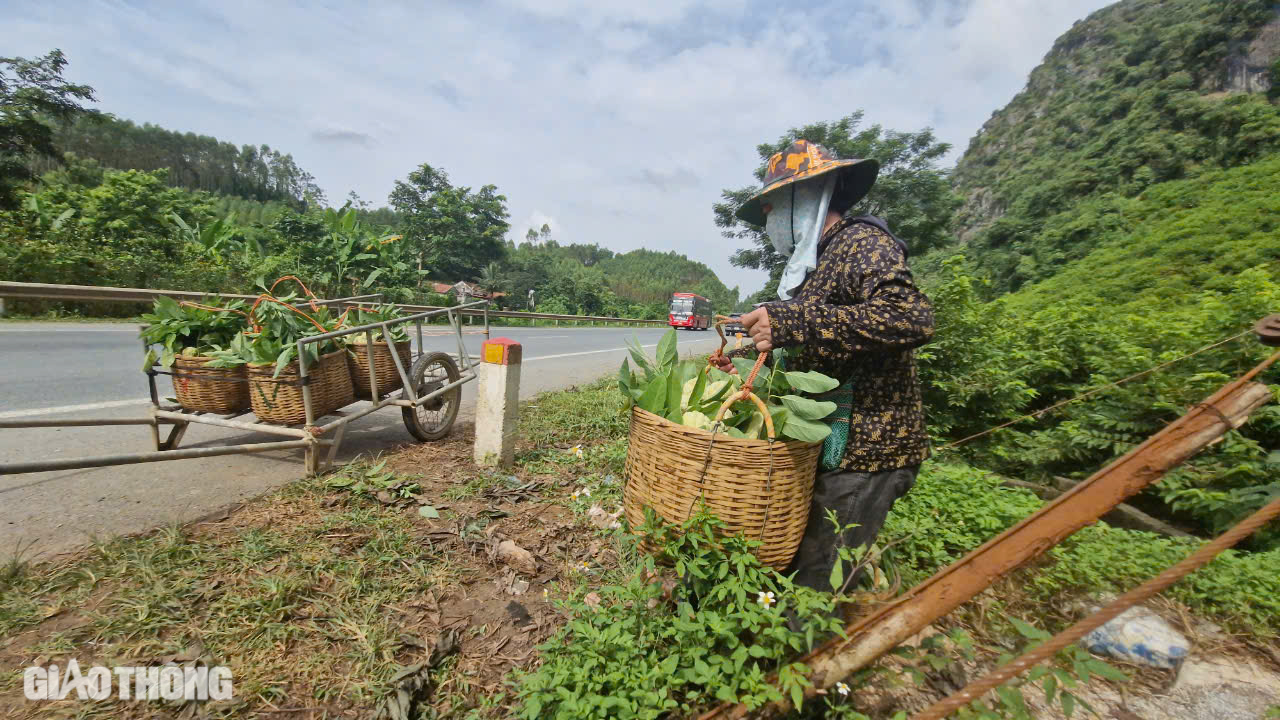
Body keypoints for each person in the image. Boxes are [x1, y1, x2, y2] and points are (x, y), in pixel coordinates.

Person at [717, 139, 934, 592]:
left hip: (869, 451)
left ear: (806, 197)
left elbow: (909, 317)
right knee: (804, 558)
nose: (769, 223)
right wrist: (740, 360)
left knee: (816, 580)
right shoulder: (815, 266)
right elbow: (822, 339)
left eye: (774, 208)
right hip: (834, 445)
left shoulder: (862, 242)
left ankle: (805, 658)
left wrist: (793, 320)